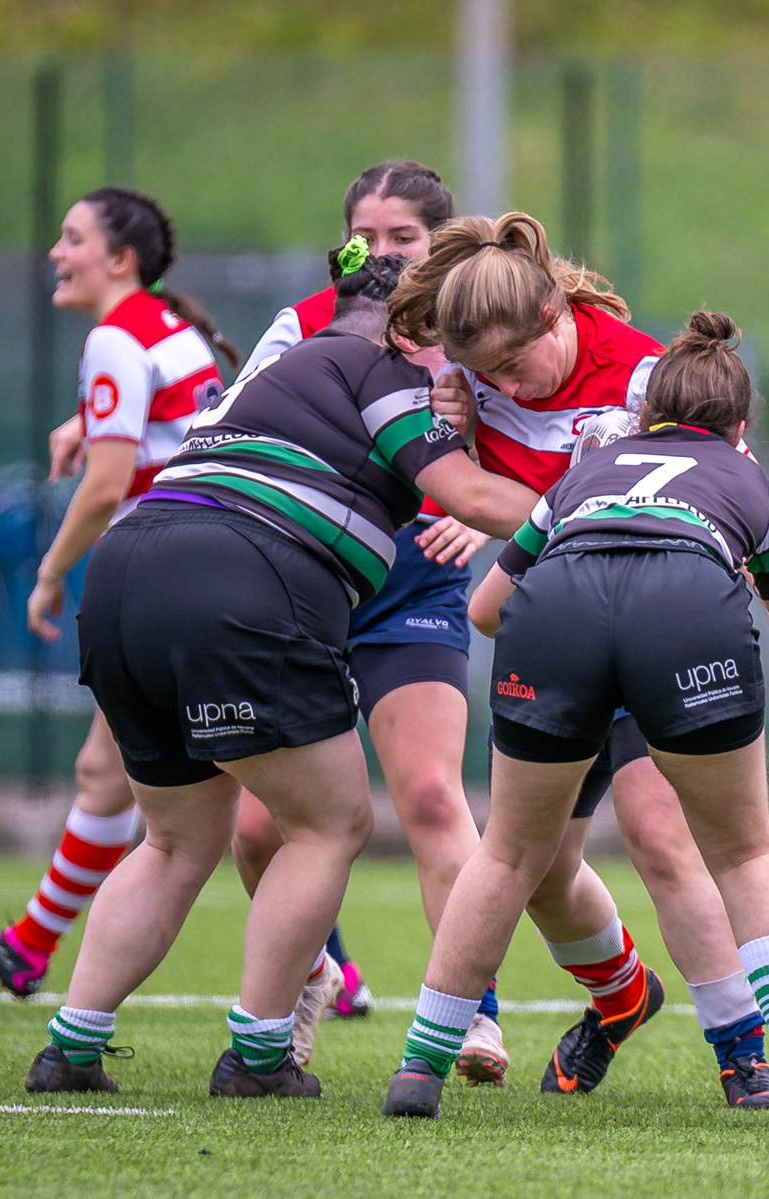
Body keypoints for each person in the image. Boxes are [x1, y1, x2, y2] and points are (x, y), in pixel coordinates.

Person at [22, 249, 536, 1098]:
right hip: (240, 577)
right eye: (458, 339)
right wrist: (602, 497)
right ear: (412, 327)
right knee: (330, 823)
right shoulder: (384, 367)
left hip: (125, 573)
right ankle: (258, 1058)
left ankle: (71, 1044)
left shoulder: (284, 370)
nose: (468, 361)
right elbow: (475, 499)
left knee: (176, 839)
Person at [383, 310, 769, 1126]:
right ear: (740, 426)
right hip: (683, 618)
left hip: (556, 618)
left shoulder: (583, 473)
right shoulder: (743, 474)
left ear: (648, 412)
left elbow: (490, 610)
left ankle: (419, 1069)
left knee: (505, 856)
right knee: (744, 853)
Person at [222, 162, 504, 1071]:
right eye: (364, 237)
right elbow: (236, 427)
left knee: (429, 795)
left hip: (413, 584)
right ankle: (308, 977)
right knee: (260, 831)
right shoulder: (300, 326)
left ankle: (472, 1012)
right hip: (308, 587)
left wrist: (472, 510)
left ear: (445, 242)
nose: (379, 254)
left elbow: (527, 444)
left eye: (403, 238)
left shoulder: (474, 326)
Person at [0, 187, 239, 997]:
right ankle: (29, 945)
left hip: (161, 576)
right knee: (121, 776)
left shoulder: (117, 336)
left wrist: (47, 572)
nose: (55, 253)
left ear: (120, 259)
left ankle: (329, 970)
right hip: (209, 574)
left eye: (71, 239)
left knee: (242, 800)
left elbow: (107, 486)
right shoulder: (171, 329)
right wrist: (82, 422)